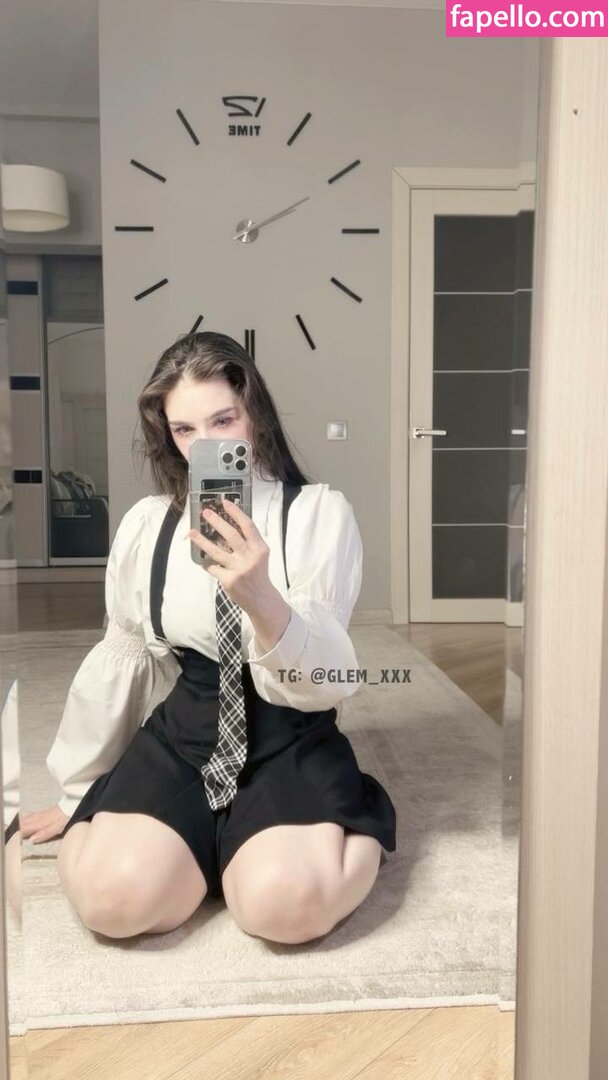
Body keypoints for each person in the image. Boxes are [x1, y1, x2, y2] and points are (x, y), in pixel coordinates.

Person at [21, 331, 397, 944]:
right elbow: (123, 656)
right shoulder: (149, 524)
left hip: (288, 734)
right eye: (185, 429)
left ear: (256, 416)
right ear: (167, 435)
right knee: (111, 902)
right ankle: (207, 851)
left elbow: (326, 681)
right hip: (185, 736)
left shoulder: (316, 514)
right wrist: (76, 793)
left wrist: (261, 595)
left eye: (223, 420)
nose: (208, 444)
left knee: (284, 910)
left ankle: (338, 828)